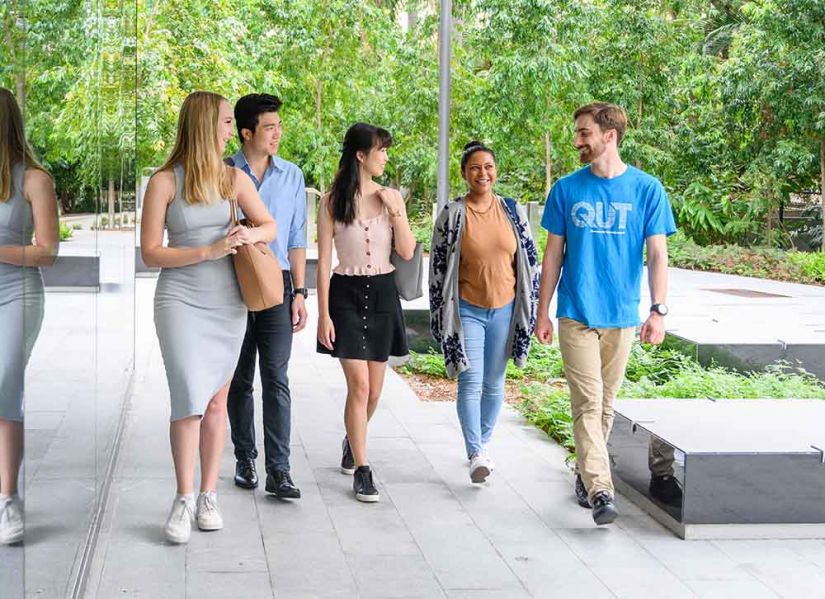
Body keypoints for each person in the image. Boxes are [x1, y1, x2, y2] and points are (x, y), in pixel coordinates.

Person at [141, 91, 276, 543]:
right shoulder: (165, 182)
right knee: (188, 400)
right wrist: (208, 249)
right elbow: (150, 253)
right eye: (223, 122)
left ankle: (207, 495)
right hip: (179, 300)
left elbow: (271, 226)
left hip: (227, 302)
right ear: (203, 126)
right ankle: (182, 499)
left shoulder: (235, 179)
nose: (229, 130)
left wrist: (248, 231)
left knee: (217, 401)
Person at [535, 102, 676, 525]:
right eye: (577, 133)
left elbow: (657, 254)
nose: (577, 141)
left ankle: (585, 471)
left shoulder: (647, 189)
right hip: (577, 311)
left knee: (606, 404)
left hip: (622, 315)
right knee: (587, 402)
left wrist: (658, 310)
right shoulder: (566, 189)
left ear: (609, 136)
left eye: (584, 133)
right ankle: (600, 489)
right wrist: (542, 311)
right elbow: (553, 255)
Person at [429, 141, 540, 483]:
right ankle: (475, 451)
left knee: (494, 384)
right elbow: (437, 265)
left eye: (488, 167)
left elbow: (530, 259)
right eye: (475, 167)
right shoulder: (453, 213)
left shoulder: (511, 210)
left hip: (505, 310)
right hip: (467, 311)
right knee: (470, 381)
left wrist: (533, 308)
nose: (483, 173)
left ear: (496, 171)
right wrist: (438, 315)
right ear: (464, 173)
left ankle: (484, 445)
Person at [316, 123, 415, 503]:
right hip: (346, 293)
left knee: (374, 390)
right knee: (358, 386)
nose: (386, 157)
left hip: (384, 294)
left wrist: (397, 212)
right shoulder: (331, 202)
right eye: (381, 150)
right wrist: (323, 314)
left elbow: (406, 252)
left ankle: (351, 440)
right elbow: (324, 263)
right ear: (361, 155)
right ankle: (363, 468)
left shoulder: (391, 198)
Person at [225, 94, 308, 499]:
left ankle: (280, 470)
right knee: (240, 380)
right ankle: (245, 459)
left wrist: (301, 292)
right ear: (246, 132)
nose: (278, 133)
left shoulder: (292, 175)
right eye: (269, 127)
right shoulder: (222, 174)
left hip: (278, 288)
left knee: (276, 378)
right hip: (231, 288)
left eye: (279, 126)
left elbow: (295, 237)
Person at [0, 87, 58, 545]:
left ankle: (8, 500)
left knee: (5, 388)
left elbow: (47, 252)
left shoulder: (33, 179)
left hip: (16, 294)